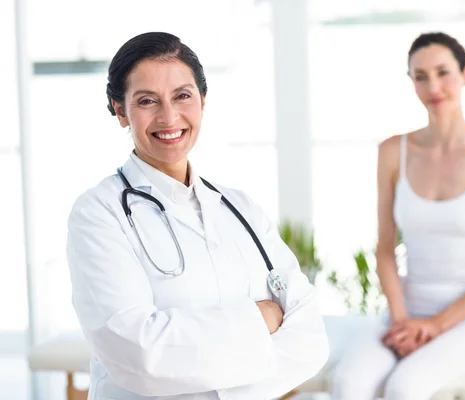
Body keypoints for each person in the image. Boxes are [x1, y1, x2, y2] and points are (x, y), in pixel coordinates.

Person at [66, 32, 328, 400]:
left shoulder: (241, 209)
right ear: (120, 111)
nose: (169, 116)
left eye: (182, 96)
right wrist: (261, 319)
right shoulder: (98, 213)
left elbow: (311, 338)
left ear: (203, 100)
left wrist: (205, 370)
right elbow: (139, 354)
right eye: (146, 101)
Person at [331, 32, 465, 400]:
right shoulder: (393, 151)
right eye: (420, 76)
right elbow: (385, 250)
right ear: (411, 82)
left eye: (443, 72)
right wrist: (404, 322)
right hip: (408, 310)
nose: (433, 85)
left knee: (406, 386)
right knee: (349, 383)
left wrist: (435, 326)